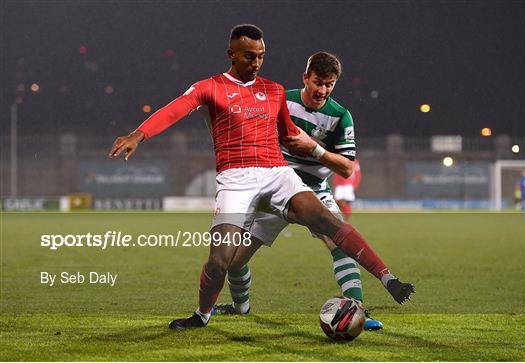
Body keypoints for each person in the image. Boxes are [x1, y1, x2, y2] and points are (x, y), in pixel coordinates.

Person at [109, 24, 415, 331]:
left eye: (261, 56)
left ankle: (387, 280)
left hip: (277, 173)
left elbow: (287, 133)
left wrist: (313, 147)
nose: (256, 62)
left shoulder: (274, 91)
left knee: (330, 224)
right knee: (221, 262)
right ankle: (202, 314)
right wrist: (139, 134)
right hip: (235, 179)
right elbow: (175, 108)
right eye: (249, 56)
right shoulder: (209, 87)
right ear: (231, 54)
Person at [212, 52, 383, 330]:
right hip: (276, 190)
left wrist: (314, 148)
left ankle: (357, 311)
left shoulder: (340, 117)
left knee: (340, 244)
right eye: (318, 82)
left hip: (315, 192)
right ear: (306, 77)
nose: (322, 90)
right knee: (233, 261)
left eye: (329, 84)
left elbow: (347, 169)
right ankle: (240, 306)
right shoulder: (280, 100)